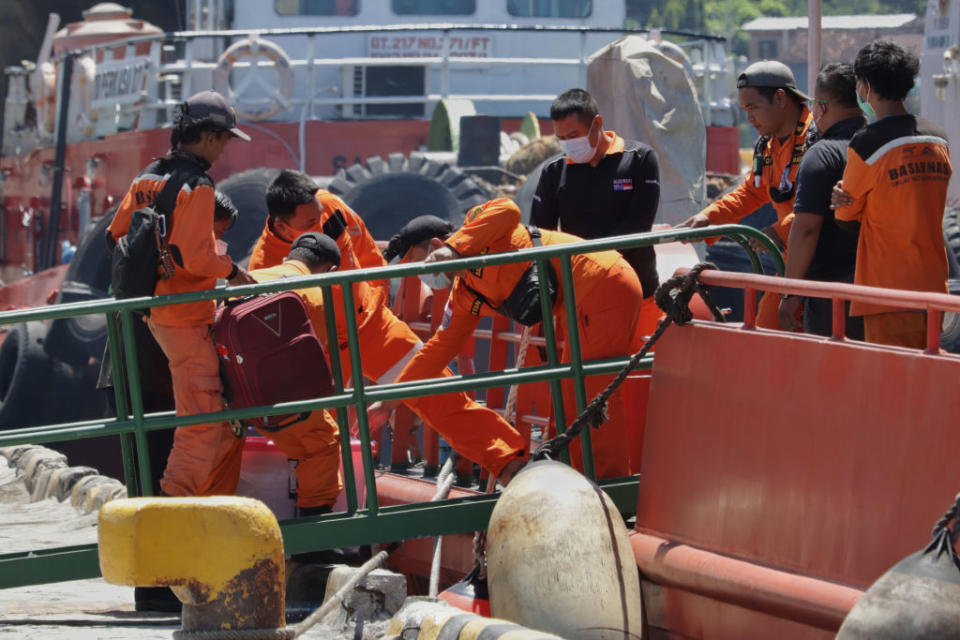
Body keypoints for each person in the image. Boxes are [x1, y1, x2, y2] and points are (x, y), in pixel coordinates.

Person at [255, 171, 528, 485]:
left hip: (371, 326)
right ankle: (328, 498)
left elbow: (370, 256)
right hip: (321, 349)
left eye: (319, 215)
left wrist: (375, 300)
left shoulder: (330, 207)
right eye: (307, 224)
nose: (318, 223)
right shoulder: (265, 268)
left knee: (438, 392)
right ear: (281, 227)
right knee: (316, 431)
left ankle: (509, 462)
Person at [392, 199, 644, 479]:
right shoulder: (464, 295)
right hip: (581, 302)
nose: (423, 277)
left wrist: (454, 249)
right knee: (572, 396)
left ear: (437, 247)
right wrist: (393, 397)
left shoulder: (479, 225)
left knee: (590, 395)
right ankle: (583, 480)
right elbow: (440, 348)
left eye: (421, 265)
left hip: (603, 284)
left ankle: (610, 487)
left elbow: (508, 209)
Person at [107, 90, 257, 499]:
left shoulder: (147, 176)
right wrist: (235, 272)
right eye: (225, 138)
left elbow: (115, 235)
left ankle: (188, 496)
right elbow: (196, 258)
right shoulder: (199, 185)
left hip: (156, 314)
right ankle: (175, 500)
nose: (225, 148)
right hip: (186, 317)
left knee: (203, 413)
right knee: (203, 416)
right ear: (208, 136)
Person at [832, 40, 952, 348]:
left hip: (886, 292)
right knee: (929, 382)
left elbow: (845, 214)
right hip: (934, 288)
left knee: (893, 387)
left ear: (865, 86)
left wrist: (840, 200)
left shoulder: (867, 143)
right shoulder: (939, 139)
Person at [677, 60, 814, 329]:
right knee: (766, 327)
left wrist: (779, 231)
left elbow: (820, 207)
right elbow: (752, 193)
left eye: (753, 108)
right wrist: (709, 217)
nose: (749, 118)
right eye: (745, 110)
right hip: (791, 259)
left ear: (780, 98)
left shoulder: (817, 140)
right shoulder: (768, 146)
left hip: (821, 258)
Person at [531, 88, 662, 338]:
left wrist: (590, 263)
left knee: (640, 371)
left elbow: (639, 225)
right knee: (582, 375)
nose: (569, 144)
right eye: (562, 138)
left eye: (574, 135)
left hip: (638, 290)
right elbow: (539, 235)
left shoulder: (639, 159)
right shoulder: (554, 171)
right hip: (579, 299)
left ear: (597, 124)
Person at [247, 232, 345, 516]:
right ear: (331, 271)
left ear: (287, 258)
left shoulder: (250, 278)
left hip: (233, 397)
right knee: (324, 440)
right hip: (283, 401)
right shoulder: (315, 294)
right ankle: (315, 531)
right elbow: (316, 362)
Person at [777, 64, 865, 339]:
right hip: (883, 291)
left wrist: (791, 293)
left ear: (822, 107)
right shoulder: (880, 146)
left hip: (831, 299)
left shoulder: (821, 155)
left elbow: (805, 229)